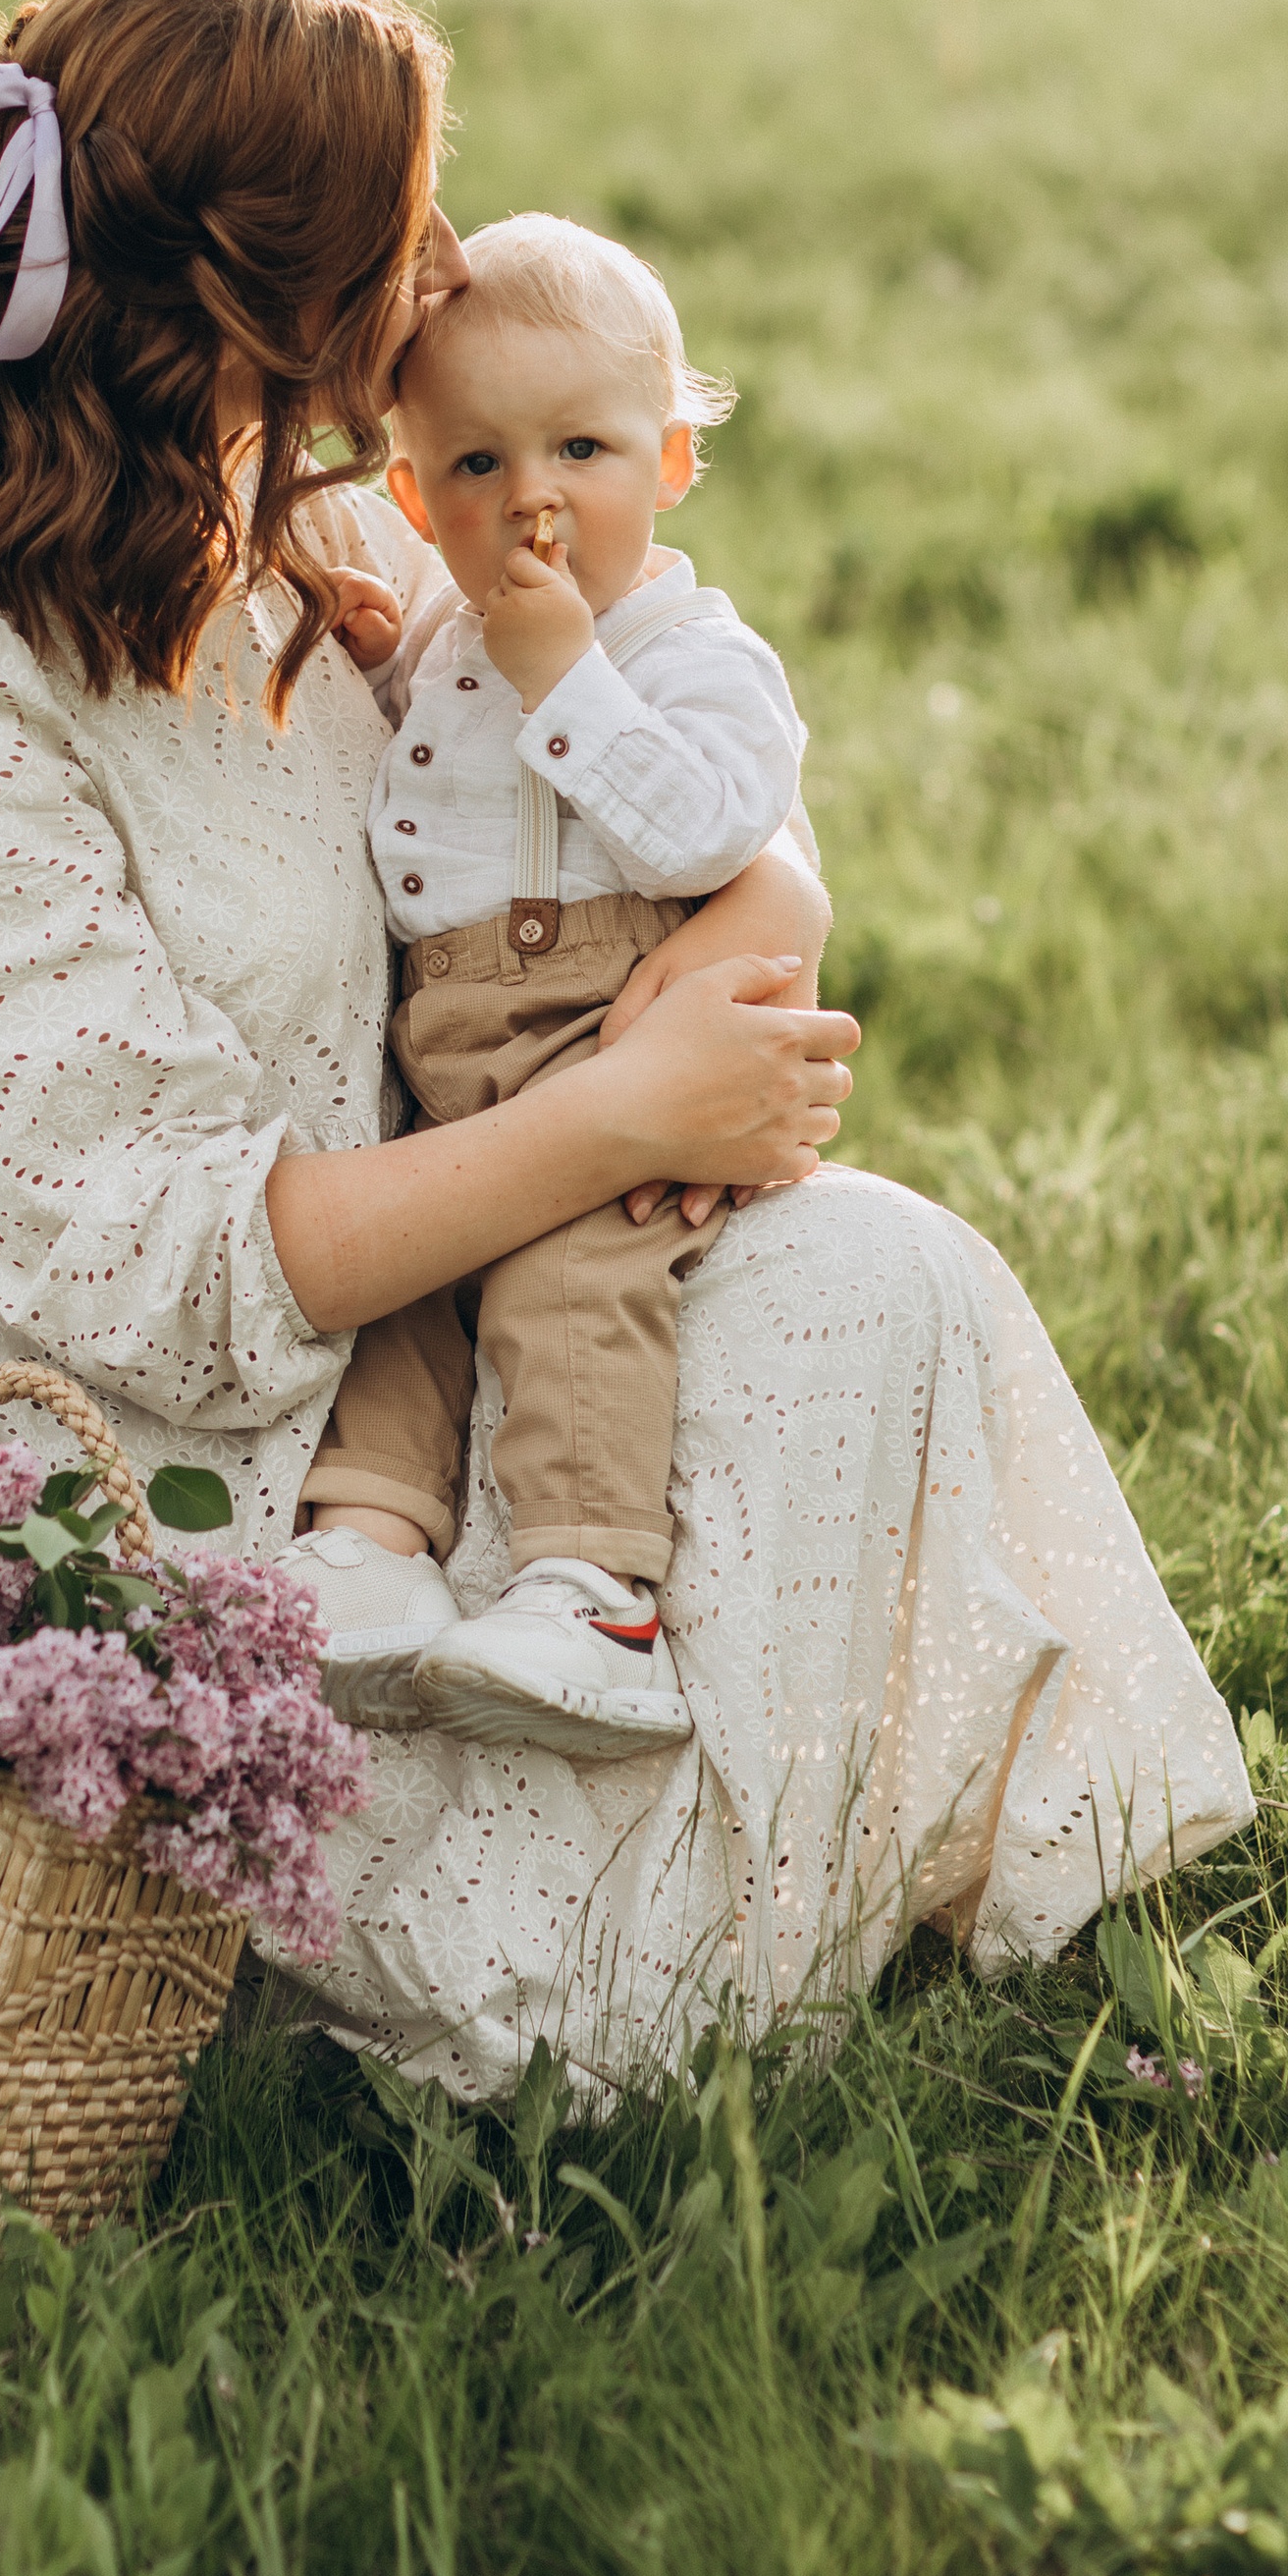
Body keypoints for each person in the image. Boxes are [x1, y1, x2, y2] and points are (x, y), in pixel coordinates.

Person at [0, 0, 1251, 2101]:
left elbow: (708, 821)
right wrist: (614, 1126)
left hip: (413, 1330)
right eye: (393, 228)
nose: (437, 272)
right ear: (256, 293)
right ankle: (436, 1977)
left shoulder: (334, 549)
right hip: (104, 1469)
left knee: (881, 1279)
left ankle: (897, 1878)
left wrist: (717, 989)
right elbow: (163, 1286)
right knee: (584, 2008)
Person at [286, 212, 807, 1762]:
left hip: (598, 1022)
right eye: (477, 468)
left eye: (582, 449)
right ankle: (367, 1557)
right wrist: (376, 657)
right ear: (410, 492)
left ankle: (596, 1596)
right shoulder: (457, 635)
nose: (534, 506)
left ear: (672, 463)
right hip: (440, 1039)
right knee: (405, 1295)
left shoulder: (687, 649)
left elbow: (715, 823)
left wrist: (566, 678)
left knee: (576, 1291)